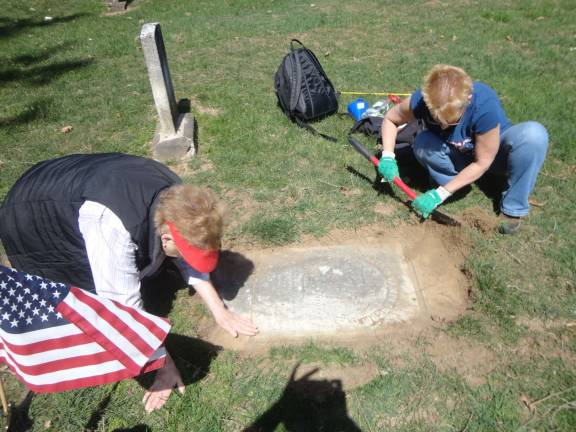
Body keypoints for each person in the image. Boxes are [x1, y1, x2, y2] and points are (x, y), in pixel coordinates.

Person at [0, 152, 258, 412]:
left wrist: (219, 311)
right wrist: (164, 367)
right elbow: (125, 313)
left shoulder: (179, 199)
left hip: (70, 181)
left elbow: (186, 256)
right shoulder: (111, 226)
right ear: (166, 238)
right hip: (31, 214)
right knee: (85, 298)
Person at [378, 64, 549, 233]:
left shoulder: (484, 104)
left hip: (494, 155)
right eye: (437, 120)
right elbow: (391, 120)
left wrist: (440, 194)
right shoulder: (422, 100)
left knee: (534, 135)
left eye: (451, 121)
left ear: (467, 99)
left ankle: (513, 208)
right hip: (459, 155)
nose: (443, 127)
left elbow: (483, 162)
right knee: (423, 143)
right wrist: (387, 155)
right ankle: (454, 184)